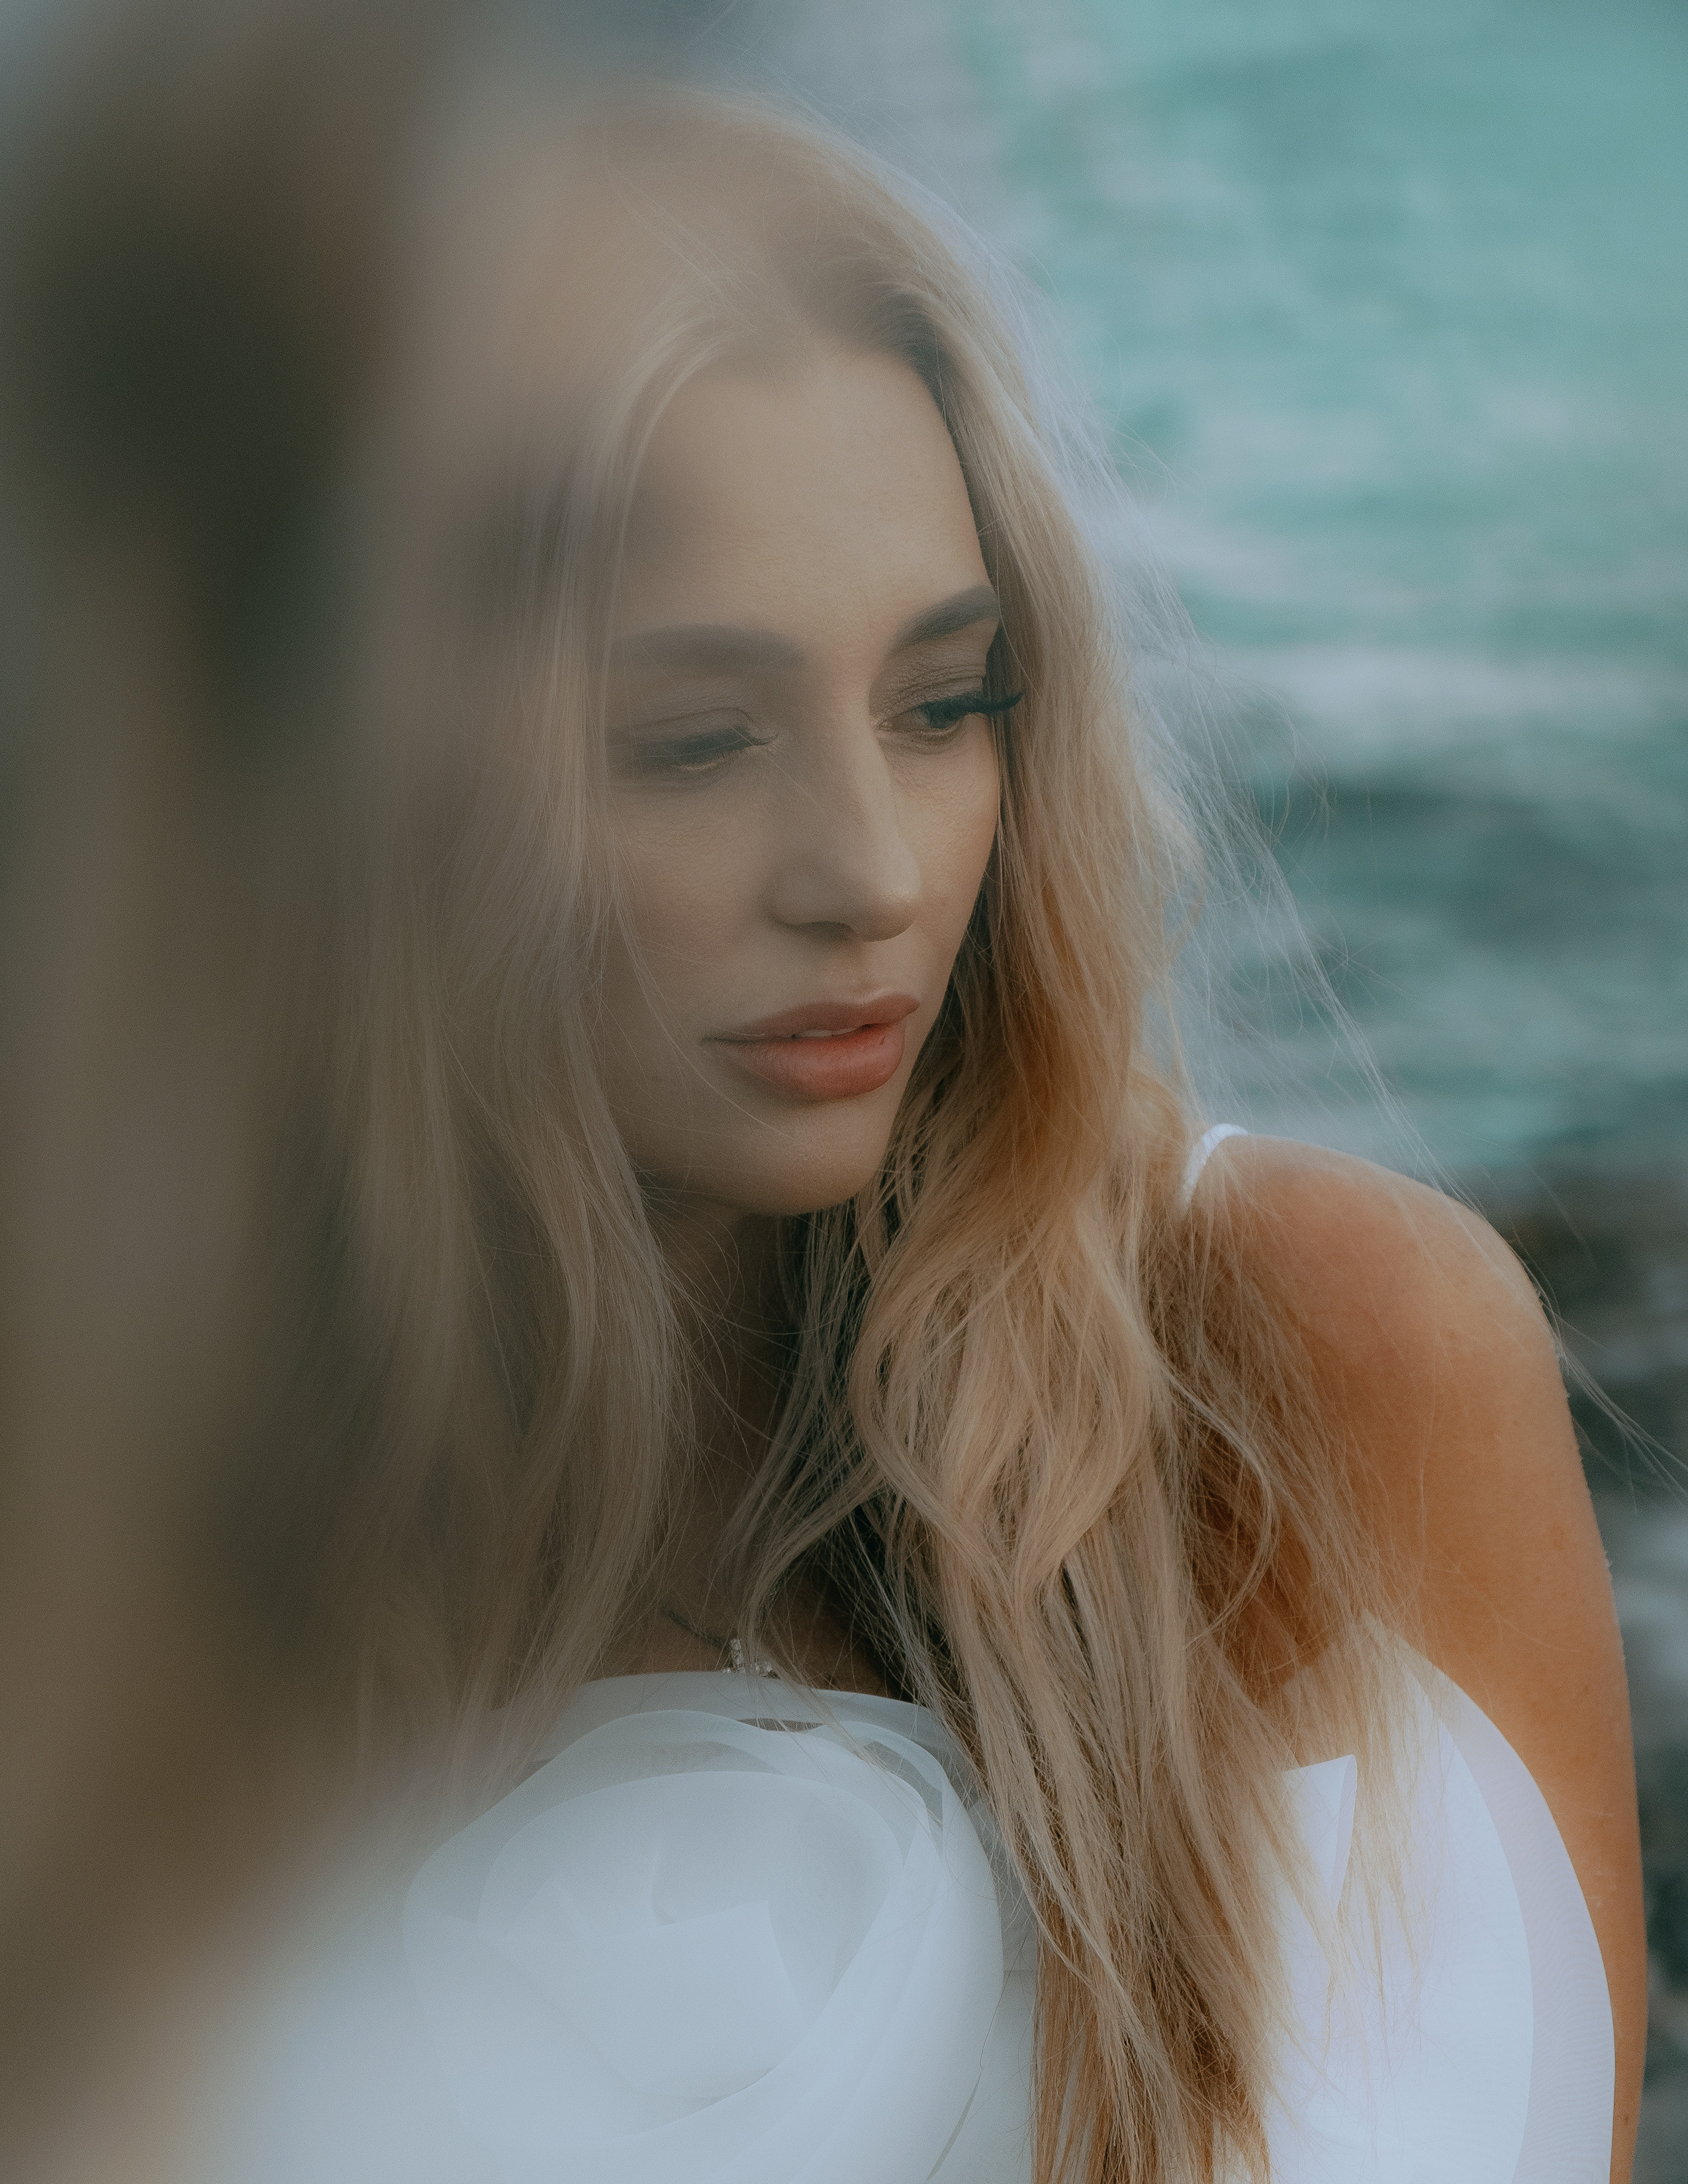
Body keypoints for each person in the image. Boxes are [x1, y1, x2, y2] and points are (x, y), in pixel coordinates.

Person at [3, 41, 1645, 2184]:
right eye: (695, 740)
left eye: (945, 703)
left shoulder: (1331, 1359)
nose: (871, 872)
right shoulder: (118, 1529)